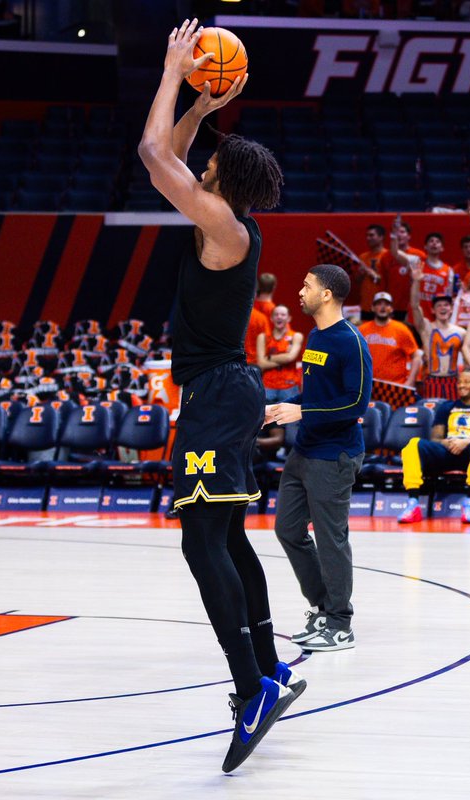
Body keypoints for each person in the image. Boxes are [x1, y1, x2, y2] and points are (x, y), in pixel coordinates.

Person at [137, 19, 298, 773]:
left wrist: (174, 70)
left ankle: (250, 687)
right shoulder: (232, 224)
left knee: (201, 543)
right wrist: (203, 105)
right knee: (228, 537)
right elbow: (174, 151)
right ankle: (270, 669)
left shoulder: (223, 224)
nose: (199, 164)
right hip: (226, 393)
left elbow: (150, 154)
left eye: (212, 162)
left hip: (215, 398)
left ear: (222, 183)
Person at [267, 264, 372, 653]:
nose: (300, 291)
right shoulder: (315, 335)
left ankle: (340, 623)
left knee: (331, 538)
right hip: (305, 450)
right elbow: (315, 397)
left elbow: (355, 403)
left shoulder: (350, 342)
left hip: (336, 454)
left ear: (326, 294)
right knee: (288, 529)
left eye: (307, 285)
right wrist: (281, 407)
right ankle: (323, 608)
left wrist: (304, 413)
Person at [397, 366, 470, 525]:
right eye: (459, 382)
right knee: (413, 445)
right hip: (447, 450)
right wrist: (445, 442)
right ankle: (413, 503)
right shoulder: (446, 407)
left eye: (467, 382)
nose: (461, 385)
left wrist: (466, 441)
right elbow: (436, 437)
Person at [407, 261, 467, 401]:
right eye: (438, 305)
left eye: (446, 305)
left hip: (453, 381)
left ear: (451, 309)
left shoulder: (461, 332)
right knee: (431, 417)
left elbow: (468, 360)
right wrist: (416, 282)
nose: (443, 308)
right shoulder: (426, 327)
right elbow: (415, 306)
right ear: (433, 310)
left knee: (453, 418)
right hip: (431, 380)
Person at [359, 291, 422, 387]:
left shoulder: (401, 329)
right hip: (369, 385)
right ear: (372, 308)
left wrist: (410, 382)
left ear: (391, 309)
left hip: (395, 387)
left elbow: (416, 356)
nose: (383, 307)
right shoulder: (362, 330)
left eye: (387, 304)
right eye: (379, 304)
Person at [256, 305, 303, 404]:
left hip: (289, 386)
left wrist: (268, 358)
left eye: (283, 314)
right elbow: (261, 364)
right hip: (267, 386)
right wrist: (284, 358)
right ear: (271, 318)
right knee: (264, 418)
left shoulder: (296, 336)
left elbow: (290, 357)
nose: (279, 317)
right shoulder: (263, 337)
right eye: (276, 314)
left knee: (290, 419)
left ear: (289, 318)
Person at [355, 224, 387, 321]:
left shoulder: (387, 256)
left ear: (381, 237)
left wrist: (375, 275)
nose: (368, 238)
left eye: (372, 235)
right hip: (366, 305)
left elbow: (392, 282)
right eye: (367, 235)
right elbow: (357, 281)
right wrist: (361, 274)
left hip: (383, 305)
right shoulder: (363, 257)